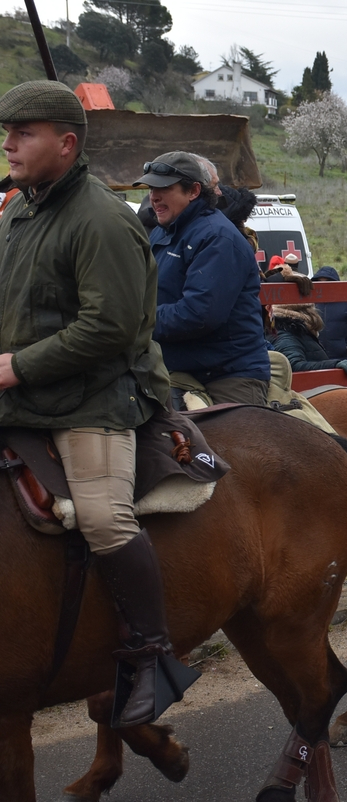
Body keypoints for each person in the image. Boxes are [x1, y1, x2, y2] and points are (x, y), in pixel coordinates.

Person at [0, 81, 192, 727]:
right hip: (25, 389)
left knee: (104, 518)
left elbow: (109, 328)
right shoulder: (19, 211)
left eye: (23, 134)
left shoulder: (102, 220)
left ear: (66, 143)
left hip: (99, 394)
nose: (8, 145)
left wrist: (18, 366)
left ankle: (152, 654)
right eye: (7, 133)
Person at [139, 152, 271, 406]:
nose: (154, 196)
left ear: (193, 191)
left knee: (234, 431)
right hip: (174, 364)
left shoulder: (218, 238)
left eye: (164, 188)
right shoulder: (163, 233)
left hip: (227, 373)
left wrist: (137, 320)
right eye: (151, 188)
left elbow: (199, 314)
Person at [269, 302, 347, 378]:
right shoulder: (287, 335)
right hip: (308, 391)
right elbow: (294, 366)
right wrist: (334, 364)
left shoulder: (296, 331)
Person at [311, 266, 347, 361]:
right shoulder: (310, 303)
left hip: (343, 360)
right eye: (319, 282)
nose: (323, 286)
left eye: (327, 282)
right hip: (316, 360)